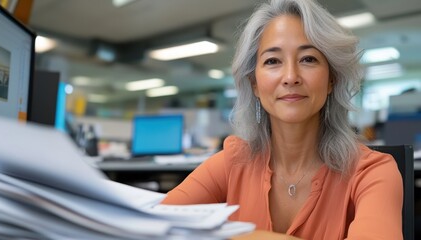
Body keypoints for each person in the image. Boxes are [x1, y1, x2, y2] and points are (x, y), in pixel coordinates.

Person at [162, 0, 403, 239]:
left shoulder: (373, 172)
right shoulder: (232, 163)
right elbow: (152, 225)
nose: (290, 77)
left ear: (331, 80)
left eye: (308, 59)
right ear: (254, 83)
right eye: (272, 61)